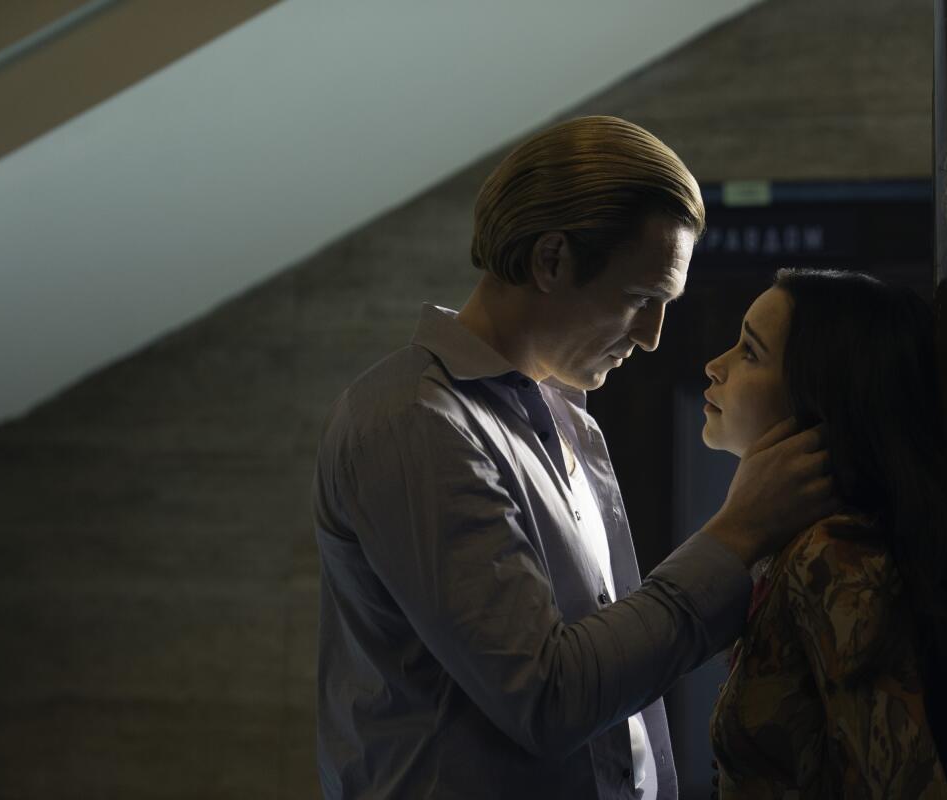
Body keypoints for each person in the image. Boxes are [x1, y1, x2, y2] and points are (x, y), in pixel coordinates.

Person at [312, 116, 838, 800]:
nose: (652, 337)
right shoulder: (416, 422)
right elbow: (548, 697)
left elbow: (611, 702)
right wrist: (738, 534)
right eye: (640, 299)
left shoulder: (565, 421)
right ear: (552, 259)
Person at [703, 269, 947, 799]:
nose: (715, 366)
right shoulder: (795, 549)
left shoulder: (834, 555)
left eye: (750, 352)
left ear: (818, 397)